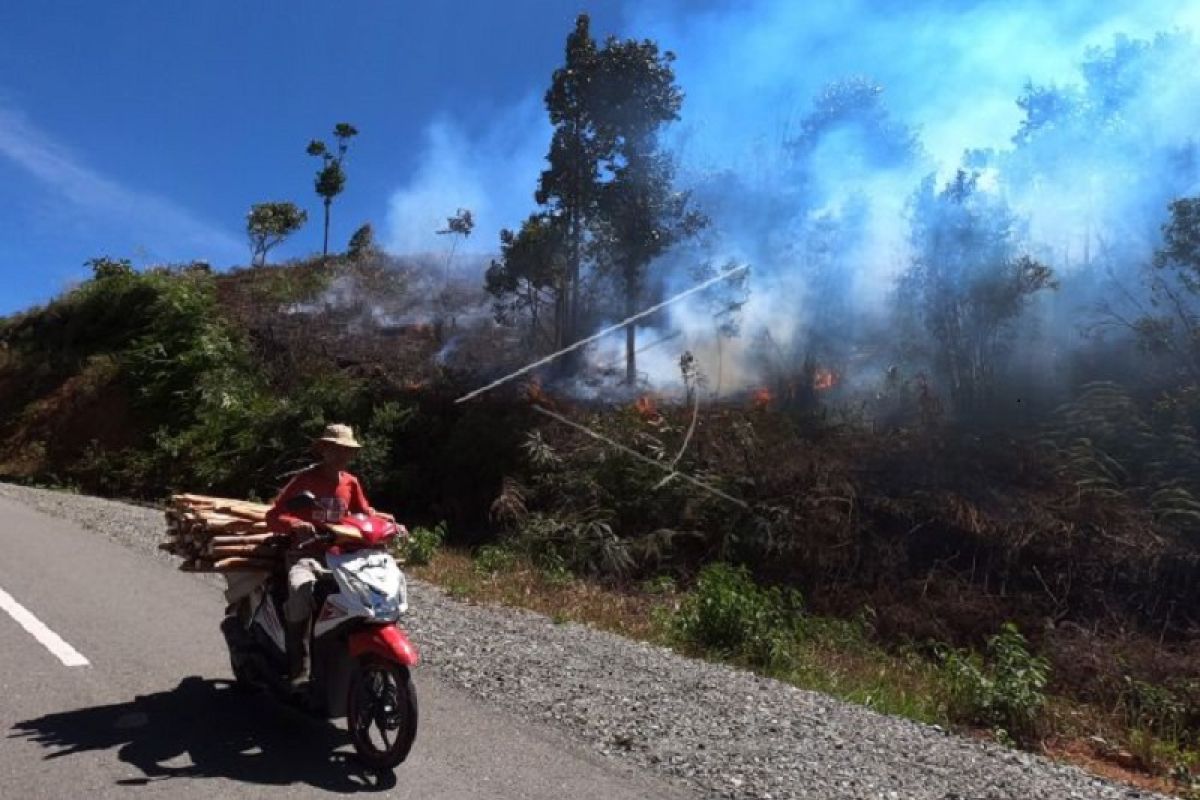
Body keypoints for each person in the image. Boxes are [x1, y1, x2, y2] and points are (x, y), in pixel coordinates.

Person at [266, 423, 382, 690]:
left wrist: (387, 525)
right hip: (305, 555)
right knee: (301, 590)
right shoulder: (304, 481)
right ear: (324, 450)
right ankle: (299, 668)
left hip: (342, 558)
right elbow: (273, 516)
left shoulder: (351, 483)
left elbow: (363, 516)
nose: (342, 455)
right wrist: (295, 524)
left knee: (371, 595)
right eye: (336, 449)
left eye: (347, 451)